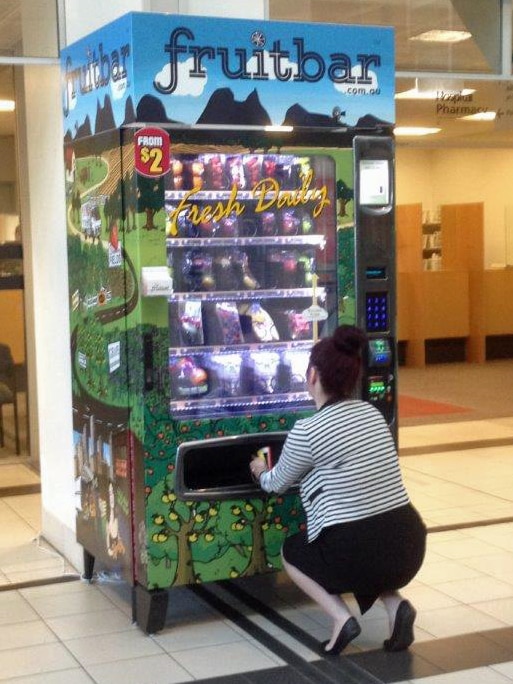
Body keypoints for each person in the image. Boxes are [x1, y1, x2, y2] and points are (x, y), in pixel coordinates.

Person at [250, 325, 426, 656]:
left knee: (293, 551)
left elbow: (276, 484)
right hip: (408, 544)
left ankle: (340, 618)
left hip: (357, 551)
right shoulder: (372, 413)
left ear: (312, 375)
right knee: (371, 542)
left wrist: (260, 470)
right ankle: (396, 607)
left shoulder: (308, 429)